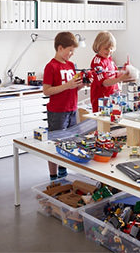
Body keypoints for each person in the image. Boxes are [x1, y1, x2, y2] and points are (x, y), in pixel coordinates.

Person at [43, 31, 83, 180]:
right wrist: (67, 85)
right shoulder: (51, 67)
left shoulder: (71, 65)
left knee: (69, 142)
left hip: (72, 109)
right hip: (58, 112)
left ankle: (63, 170)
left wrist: (80, 85)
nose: (72, 54)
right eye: (70, 50)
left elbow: (72, 87)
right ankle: (53, 176)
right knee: (55, 144)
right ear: (60, 48)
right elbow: (46, 91)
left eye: (73, 51)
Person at [89, 31, 134, 112]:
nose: (109, 51)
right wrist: (120, 79)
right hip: (102, 102)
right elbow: (104, 82)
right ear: (98, 47)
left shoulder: (109, 59)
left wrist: (124, 70)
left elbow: (115, 75)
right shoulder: (97, 62)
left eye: (112, 48)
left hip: (113, 99)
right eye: (106, 48)